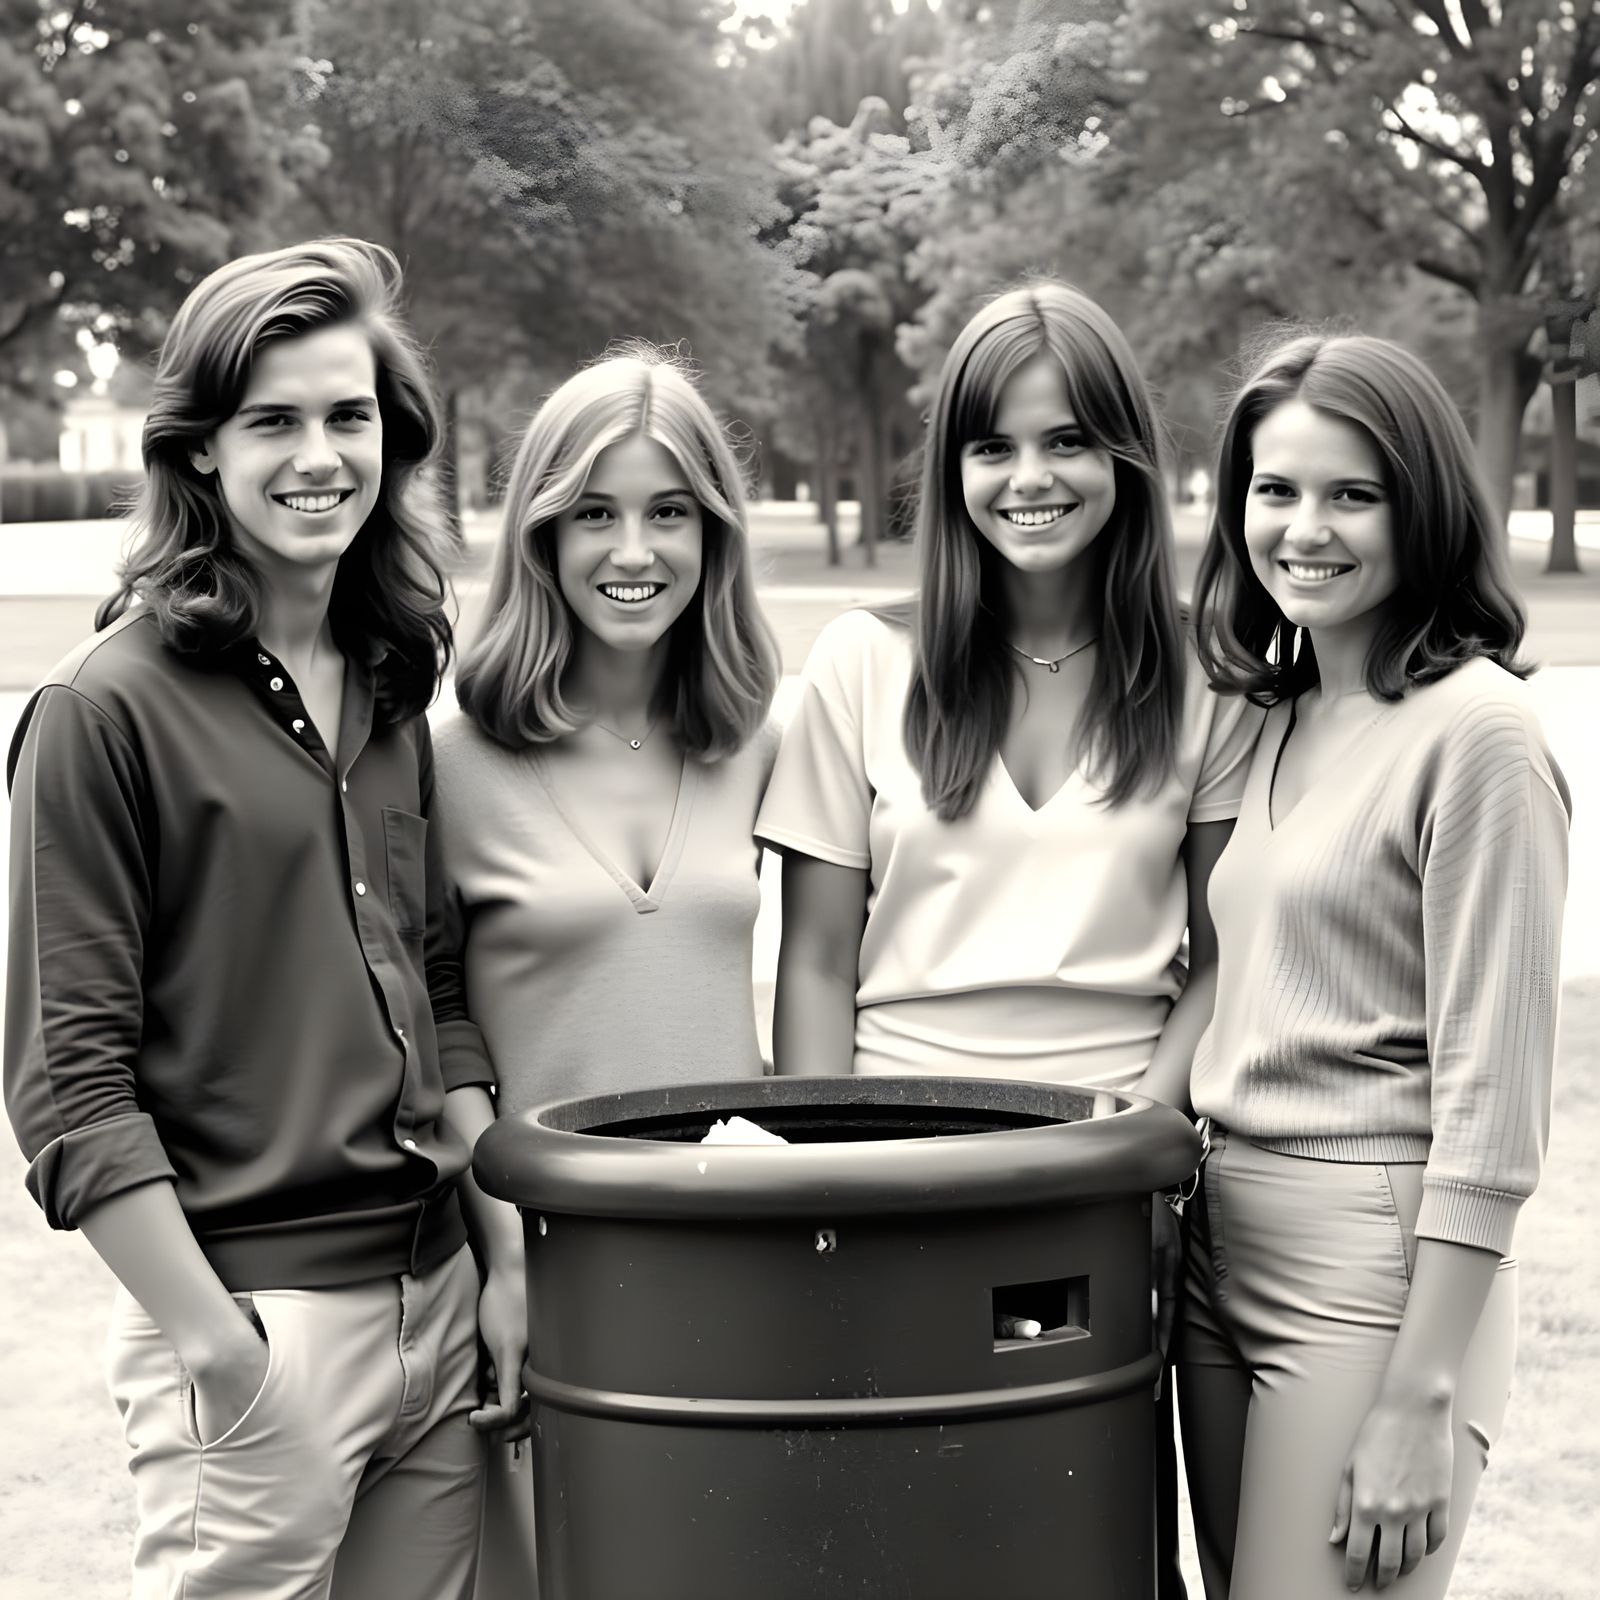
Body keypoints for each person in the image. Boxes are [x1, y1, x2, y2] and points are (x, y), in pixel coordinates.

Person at [4, 238, 525, 1600]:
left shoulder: (394, 685)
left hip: (439, 1300)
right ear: (199, 454)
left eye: (347, 416)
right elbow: (69, 1080)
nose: (319, 455)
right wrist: (217, 1343)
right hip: (258, 1332)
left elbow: (438, 989)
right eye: (273, 421)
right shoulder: (100, 712)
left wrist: (500, 1253)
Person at [754, 281, 1264, 1597]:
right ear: (954, 468)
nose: (1029, 479)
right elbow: (815, 958)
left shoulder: (1205, 684)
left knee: (1069, 1528)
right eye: (994, 447)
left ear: (1127, 462)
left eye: (1067, 442)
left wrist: (1142, 1152)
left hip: (1102, 1169)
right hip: (892, 1155)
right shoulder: (863, 670)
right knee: (895, 1527)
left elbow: (1225, 956)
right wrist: (832, 1175)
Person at [1180, 333, 1571, 1597]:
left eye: (1354, 494)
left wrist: (1422, 1391)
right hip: (1213, 1239)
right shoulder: (1271, 720)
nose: (1305, 528)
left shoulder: (1481, 736)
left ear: (1427, 508)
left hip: (1372, 1262)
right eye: (1274, 489)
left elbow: (1495, 1098)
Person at [432, 346, 783, 1595]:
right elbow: (433, 1026)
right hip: (546, 1262)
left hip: (737, 1249)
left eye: (668, 512)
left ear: (714, 533)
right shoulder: (445, 757)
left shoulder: (758, 739)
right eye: (594, 512)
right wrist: (507, 1260)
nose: (633, 550)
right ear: (539, 533)